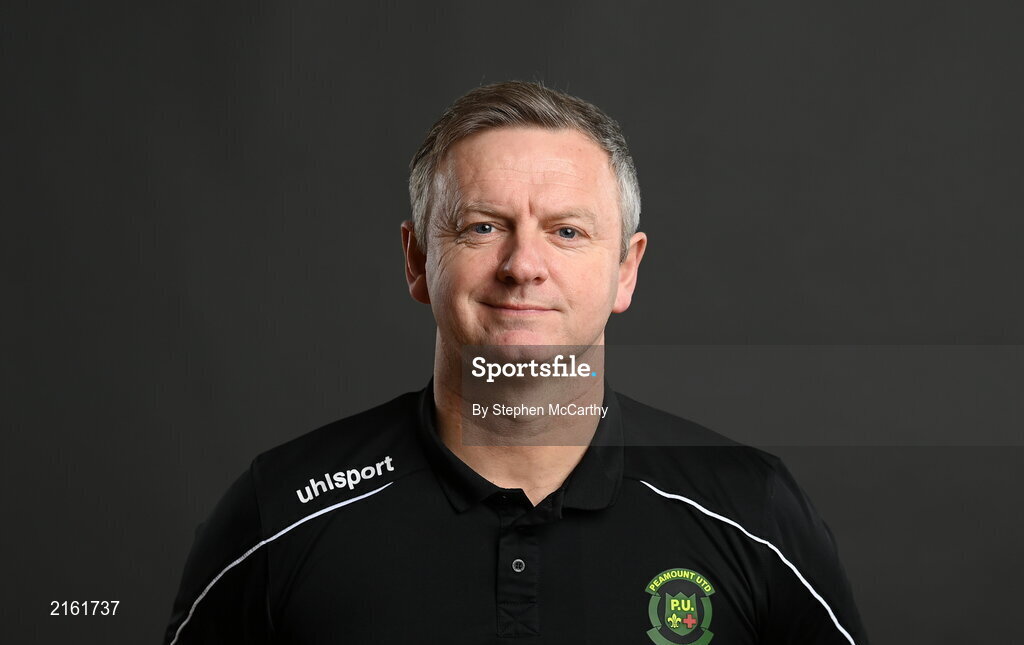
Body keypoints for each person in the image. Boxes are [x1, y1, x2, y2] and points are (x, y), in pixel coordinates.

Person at [164, 81, 868, 645]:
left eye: (566, 231)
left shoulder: (753, 513)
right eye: (483, 226)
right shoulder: (280, 513)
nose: (523, 265)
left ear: (626, 270)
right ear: (417, 260)